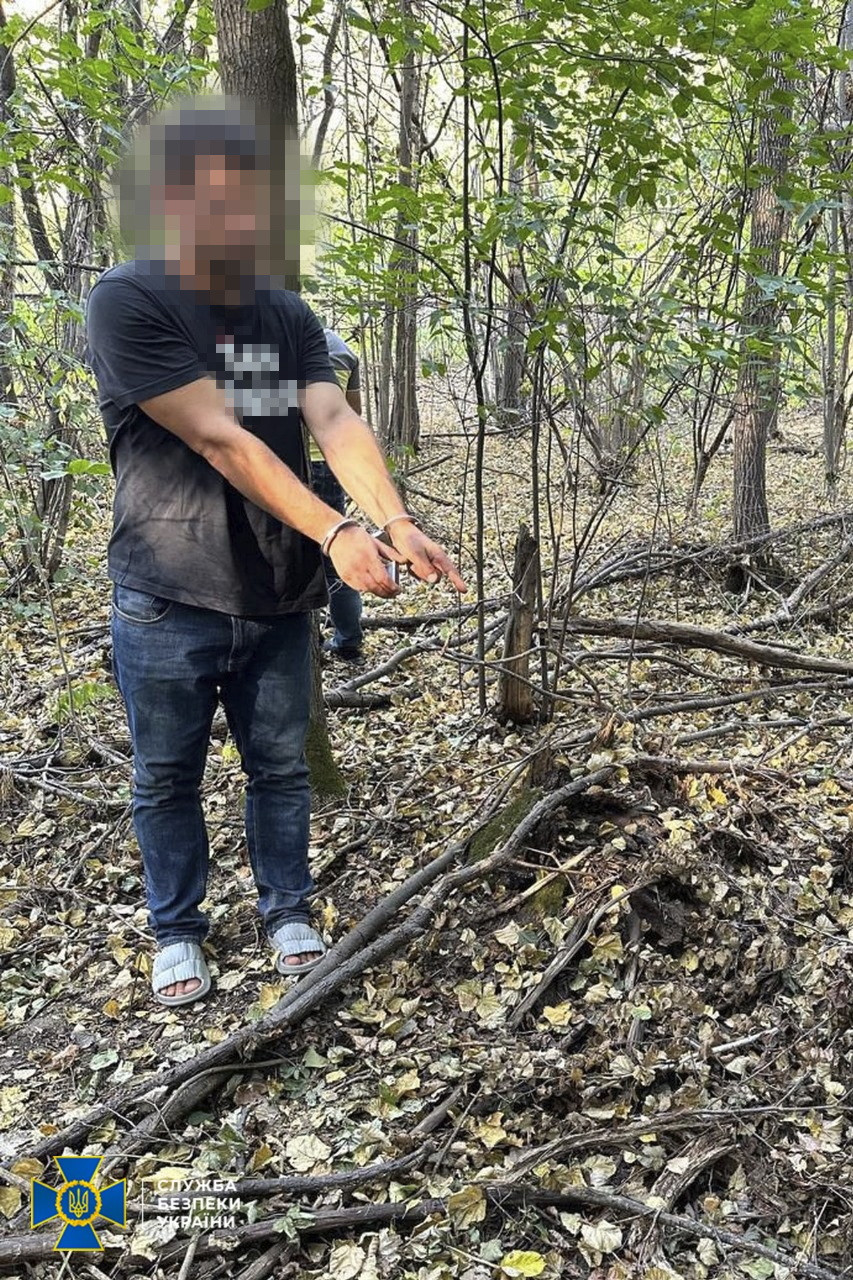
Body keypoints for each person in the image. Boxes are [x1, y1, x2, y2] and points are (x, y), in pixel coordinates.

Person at [84, 96, 467, 1007]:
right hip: (166, 595)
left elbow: (330, 418)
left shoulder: (284, 314)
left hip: (277, 595)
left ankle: (287, 910)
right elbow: (218, 437)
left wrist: (393, 519)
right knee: (164, 776)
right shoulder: (129, 301)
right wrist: (336, 530)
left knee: (282, 768)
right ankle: (177, 930)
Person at [309, 327, 365, 661]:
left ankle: (309, 639)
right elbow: (352, 414)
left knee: (291, 556)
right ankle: (348, 640)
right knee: (335, 553)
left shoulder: (278, 342)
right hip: (329, 464)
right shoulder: (341, 349)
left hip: (287, 465)